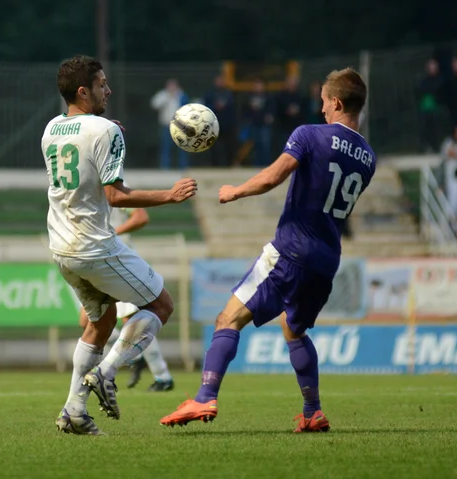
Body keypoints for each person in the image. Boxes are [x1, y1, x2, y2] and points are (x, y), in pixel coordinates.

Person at [160, 68, 376, 433]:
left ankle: (204, 395)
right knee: (294, 331)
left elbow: (274, 175)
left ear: (336, 102)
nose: (321, 109)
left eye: (324, 102)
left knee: (227, 319)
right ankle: (312, 411)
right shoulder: (368, 157)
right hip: (326, 261)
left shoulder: (309, 135)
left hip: (291, 250)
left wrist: (235, 190)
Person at [42, 55, 196, 436]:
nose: (108, 90)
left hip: (61, 247)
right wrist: (170, 196)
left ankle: (74, 411)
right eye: (102, 84)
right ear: (84, 90)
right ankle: (105, 375)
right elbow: (114, 196)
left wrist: (104, 128)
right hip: (94, 246)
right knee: (162, 305)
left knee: (102, 322)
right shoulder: (105, 131)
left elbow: (83, 144)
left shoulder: (51, 129)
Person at [78, 205, 175, 392]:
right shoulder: (90, 188)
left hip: (119, 261)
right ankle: (135, 357)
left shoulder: (114, 187)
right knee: (86, 320)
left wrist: (112, 233)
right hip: (99, 260)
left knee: (131, 320)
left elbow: (140, 216)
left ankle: (162, 376)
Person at [150, 79, 189, 170]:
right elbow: (154, 104)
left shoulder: (181, 95)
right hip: (167, 125)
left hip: (180, 126)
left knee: (182, 147)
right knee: (166, 147)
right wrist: (167, 97)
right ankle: (165, 168)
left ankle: (183, 167)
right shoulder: (163, 95)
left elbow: (186, 107)